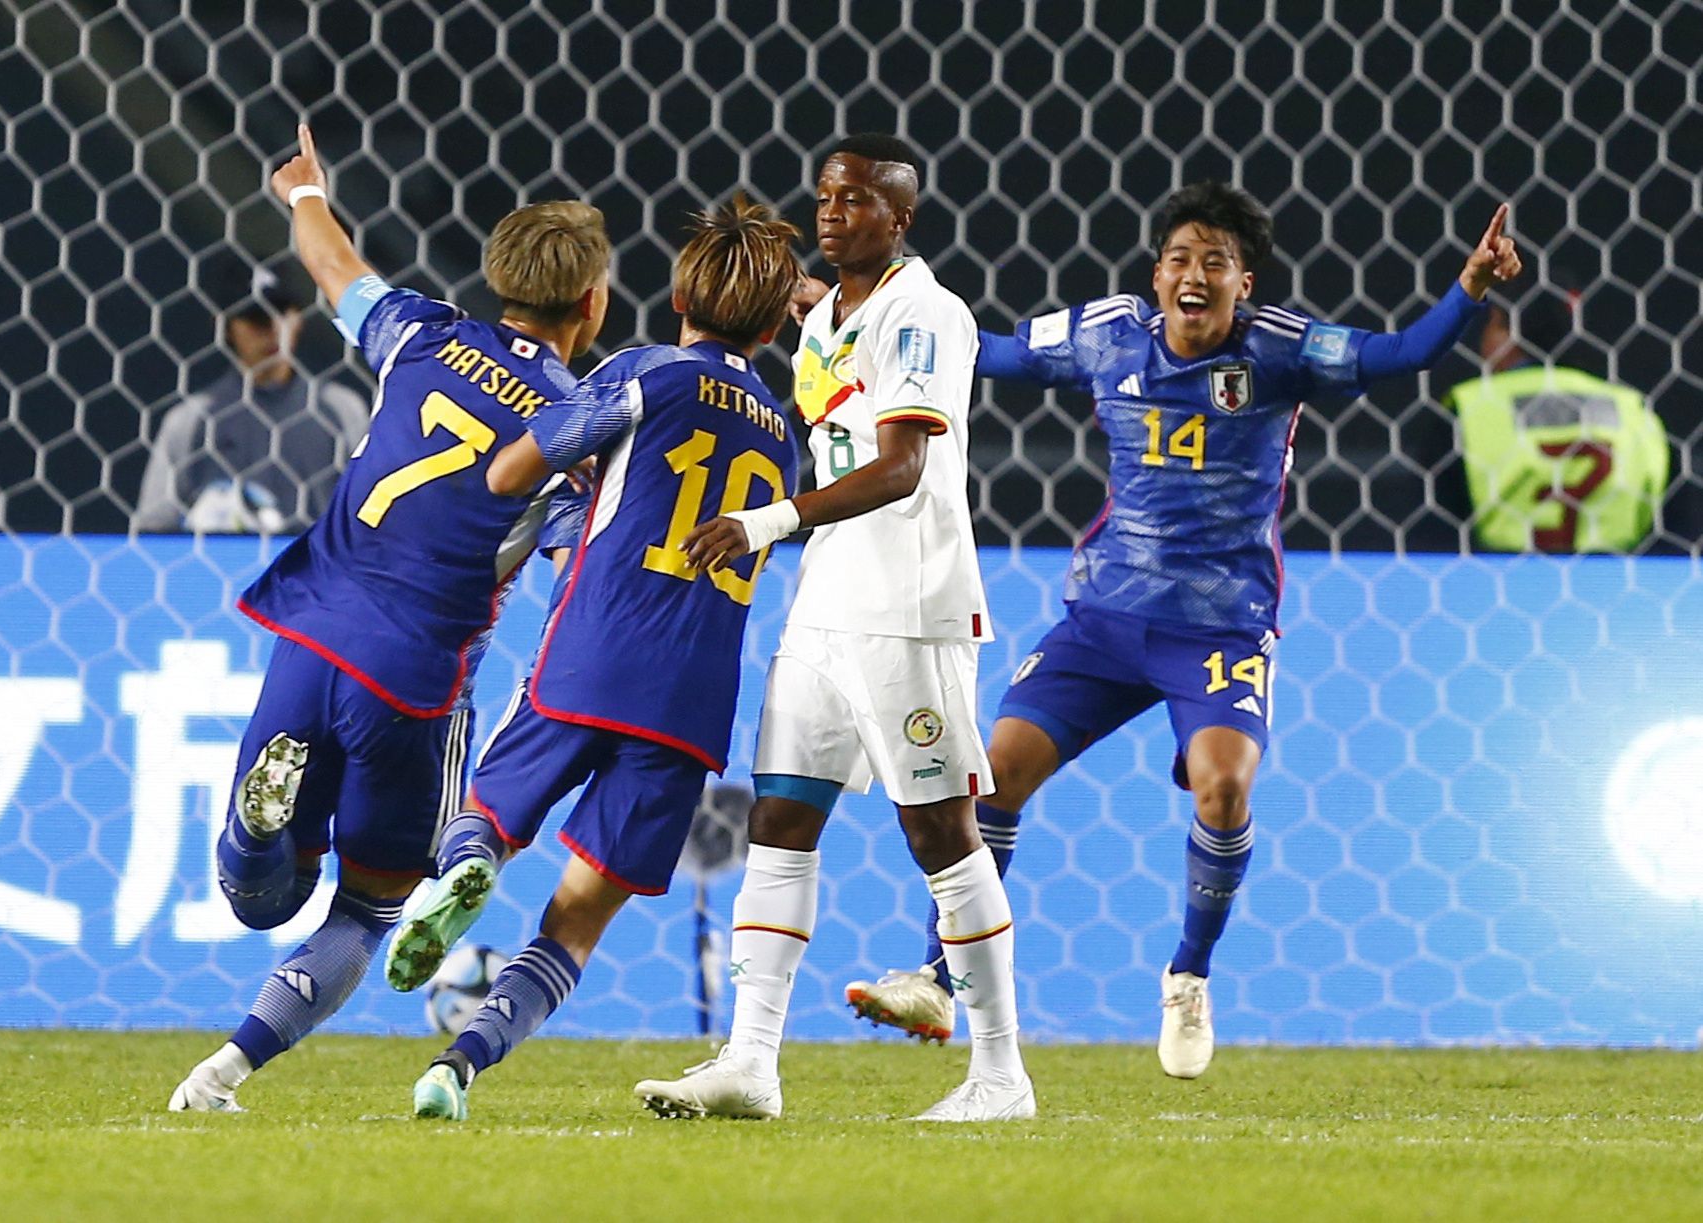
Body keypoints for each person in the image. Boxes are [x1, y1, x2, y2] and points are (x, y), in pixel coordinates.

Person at [844, 183, 1523, 1079]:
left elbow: (1400, 354)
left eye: (1215, 262)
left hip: (1219, 626)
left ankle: (1189, 975)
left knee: (1224, 788)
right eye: (1179, 258)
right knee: (992, 775)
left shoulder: (1283, 350)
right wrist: (879, 311)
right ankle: (940, 973)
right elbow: (991, 353)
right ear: (1156, 274)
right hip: (1106, 616)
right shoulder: (1107, 332)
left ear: (1245, 283)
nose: (1193, 275)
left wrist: (1469, 288)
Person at [167, 123, 611, 1112]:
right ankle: (222, 1070)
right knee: (367, 907)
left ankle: (252, 834)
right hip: (411, 677)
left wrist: (305, 193)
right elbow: (582, 560)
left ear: (499, 279)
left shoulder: (421, 332)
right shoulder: (573, 428)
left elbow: (336, 271)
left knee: (259, 896)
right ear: (592, 302)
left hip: (309, 632)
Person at [633, 134, 1033, 1124]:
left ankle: (998, 1072)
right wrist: (793, 291)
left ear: (899, 218)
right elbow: (821, 314)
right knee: (779, 815)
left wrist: (767, 520)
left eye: (856, 201)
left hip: (907, 607)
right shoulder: (837, 315)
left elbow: (900, 467)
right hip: (822, 603)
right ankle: (748, 1060)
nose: (831, 211)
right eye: (825, 195)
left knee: (937, 829)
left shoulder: (927, 314)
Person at [399, 196, 803, 1122]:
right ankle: (456, 1067)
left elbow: (512, 470)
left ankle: (470, 867)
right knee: (576, 922)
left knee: (488, 815)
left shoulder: (643, 373)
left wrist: (570, 465)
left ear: (675, 293)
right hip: (692, 700)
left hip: (590, 653)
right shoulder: (782, 435)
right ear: (778, 322)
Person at [132, 263, 369, 533]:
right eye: (256, 318)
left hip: (316, 571)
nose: (271, 329)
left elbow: (374, 516)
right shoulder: (191, 418)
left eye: (280, 313)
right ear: (226, 327)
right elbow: (154, 527)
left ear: (299, 319)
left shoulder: (341, 409)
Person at [1445, 287, 1667, 552]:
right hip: (1614, 582)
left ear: (1509, 336)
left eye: (1492, 325)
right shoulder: (1631, 407)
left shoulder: (1471, 408)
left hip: (1500, 582)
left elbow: (1436, 533)